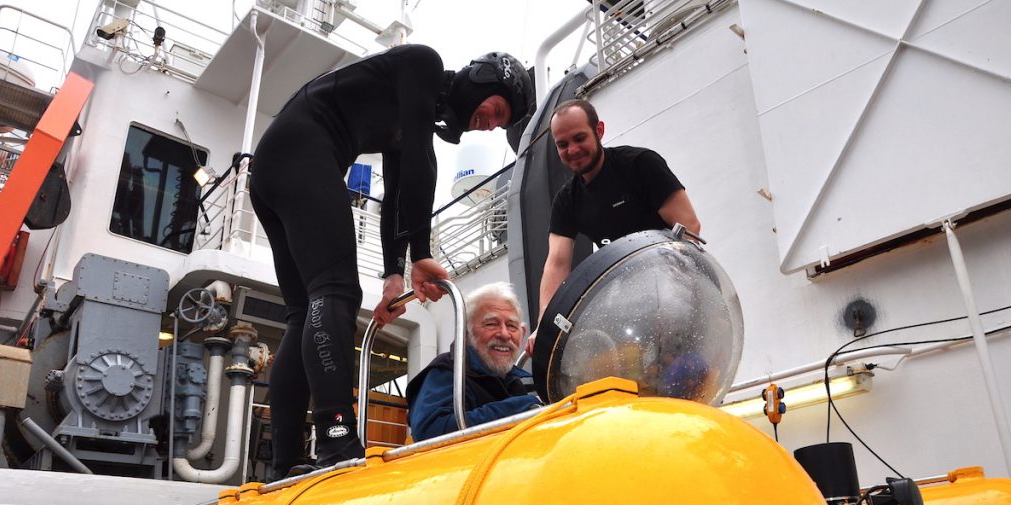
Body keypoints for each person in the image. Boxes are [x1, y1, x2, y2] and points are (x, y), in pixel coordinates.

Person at [250, 45, 534, 480]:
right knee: (336, 290)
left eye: (498, 122)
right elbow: (423, 159)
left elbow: (398, 193)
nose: (491, 124)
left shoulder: (409, 103)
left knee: (302, 312)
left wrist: (394, 274)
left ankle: (284, 460)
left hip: (273, 166)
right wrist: (421, 253)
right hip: (303, 149)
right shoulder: (424, 65)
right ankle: (336, 438)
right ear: (479, 80)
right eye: (495, 110)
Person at [527, 98, 701, 354]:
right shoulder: (567, 200)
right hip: (629, 303)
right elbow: (557, 263)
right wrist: (544, 324)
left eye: (579, 138)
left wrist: (671, 295)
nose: (572, 150)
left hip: (677, 290)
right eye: (562, 145)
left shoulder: (640, 164)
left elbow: (688, 226)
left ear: (599, 131)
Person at [406, 282, 541, 441]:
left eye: (512, 326)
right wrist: (520, 407)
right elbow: (429, 431)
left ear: (523, 333)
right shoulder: (447, 371)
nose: (504, 335)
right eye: (491, 324)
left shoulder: (512, 381)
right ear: (467, 333)